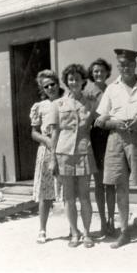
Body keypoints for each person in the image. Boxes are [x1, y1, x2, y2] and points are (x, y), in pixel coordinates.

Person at [95, 48, 137, 249]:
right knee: (120, 187)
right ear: (118, 66)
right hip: (116, 139)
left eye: (130, 65)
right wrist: (114, 123)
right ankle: (124, 231)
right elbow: (100, 121)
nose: (126, 68)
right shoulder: (111, 89)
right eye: (122, 65)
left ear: (135, 66)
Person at [47, 64, 97, 248]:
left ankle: (87, 233)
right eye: (70, 79)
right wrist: (52, 159)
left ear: (83, 81)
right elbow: (54, 133)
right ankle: (74, 233)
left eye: (77, 79)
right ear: (66, 82)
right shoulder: (57, 104)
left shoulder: (90, 103)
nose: (74, 82)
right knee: (68, 197)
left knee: (84, 196)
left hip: (84, 151)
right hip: (64, 153)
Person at [30, 69, 64, 244]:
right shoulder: (39, 106)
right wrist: (47, 140)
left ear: (58, 84)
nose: (50, 88)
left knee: (70, 191)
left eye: (53, 84)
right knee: (45, 192)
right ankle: (42, 229)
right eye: (46, 86)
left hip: (65, 148)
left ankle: (75, 229)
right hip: (46, 151)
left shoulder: (66, 101)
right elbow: (34, 133)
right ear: (42, 89)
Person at [83, 58, 116, 237]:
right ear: (92, 73)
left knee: (110, 182)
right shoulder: (87, 93)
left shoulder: (112, 89)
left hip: (110, 136)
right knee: (98, 183)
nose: (99, 74)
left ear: (107, 72)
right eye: (95, 71)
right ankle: (102, 220)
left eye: (102, 71)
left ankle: (111, 219)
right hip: (95, 138)